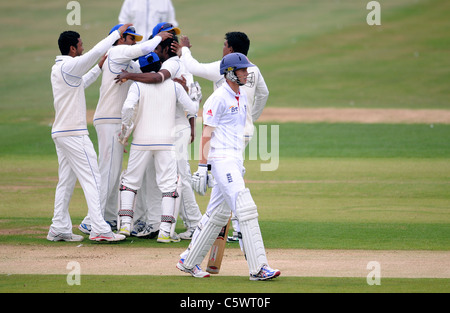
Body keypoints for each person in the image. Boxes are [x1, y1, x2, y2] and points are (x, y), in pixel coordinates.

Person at [176, 53, 280, 280]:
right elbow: (207, 133)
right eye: (242, 70)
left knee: (218, 213)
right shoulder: (218, 97)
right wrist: (203, 167)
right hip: (222, 160)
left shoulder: (241, 95)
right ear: (231, 73)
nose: (246, 73)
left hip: (235, 159)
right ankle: (258, 268)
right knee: (245, 208)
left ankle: (188, 261)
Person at [77, 24, 172, 236]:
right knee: (109, 173)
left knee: (113, 171)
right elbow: (143, 50)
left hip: (115, 123)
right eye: (131, 38)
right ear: (121, 38)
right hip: (109, 120)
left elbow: (146, 73)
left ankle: (108, 217)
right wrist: (158, 38)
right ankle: (90, 221)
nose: (134, 42)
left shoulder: (128, 63)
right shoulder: (117, 51)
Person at [175, 32, 269, 241]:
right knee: (226, 177)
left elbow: (193, 67)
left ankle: (235, 227)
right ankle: (217, 225)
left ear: (232, 50)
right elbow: (264, 94)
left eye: (225, 45)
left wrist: (185, 50)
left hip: (225, 133)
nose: (223, 48)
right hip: (243, 132)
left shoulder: (225, 69)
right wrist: (249, 117)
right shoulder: (254, 69)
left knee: (227, 177)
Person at [117, 23, 203, 240]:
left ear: (167, 47)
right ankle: (157, 226)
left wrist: (129, 76)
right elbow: (192, 103)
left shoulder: (173, 64)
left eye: (157, 46)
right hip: (167, 132)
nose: (153, 51)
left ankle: (194, 225)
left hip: (173, 130)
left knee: (178, 178)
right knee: (160, 181)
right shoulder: (167, 63)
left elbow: (156, 79)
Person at [48, 25, 133, 242]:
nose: (83, 47)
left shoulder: (60, 69)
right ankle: (99, 229)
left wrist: (98, 68)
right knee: (94, 178)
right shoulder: (69, 66)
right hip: (73, 133)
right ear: (72, 49)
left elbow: (82, 83)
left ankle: (58, 227)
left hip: (61, 132)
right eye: (80, 45)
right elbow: (96, 52)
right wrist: (116, 34)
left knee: (66, 181)